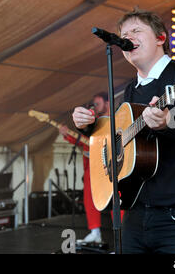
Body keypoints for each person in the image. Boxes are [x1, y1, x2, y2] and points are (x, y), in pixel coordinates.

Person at [71, 8, 175, 254]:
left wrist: (168, 123)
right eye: (124, 34)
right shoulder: (130, 91)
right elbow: (118, 138)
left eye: (136, 31)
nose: (128, 37)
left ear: (161, 38)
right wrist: (89, 126)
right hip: (137, 215)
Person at [59, 92, 110, 244]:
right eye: (93, 103)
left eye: (98, 103)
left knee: (118, 200)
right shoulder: (91, 121)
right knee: (88, 196)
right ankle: (95, 232)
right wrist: (67, 134)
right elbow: (84, 141)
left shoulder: (114, 118)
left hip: (111, 165)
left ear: (107, 103)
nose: (94, 106)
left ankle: (122, 237)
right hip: (92, 166)